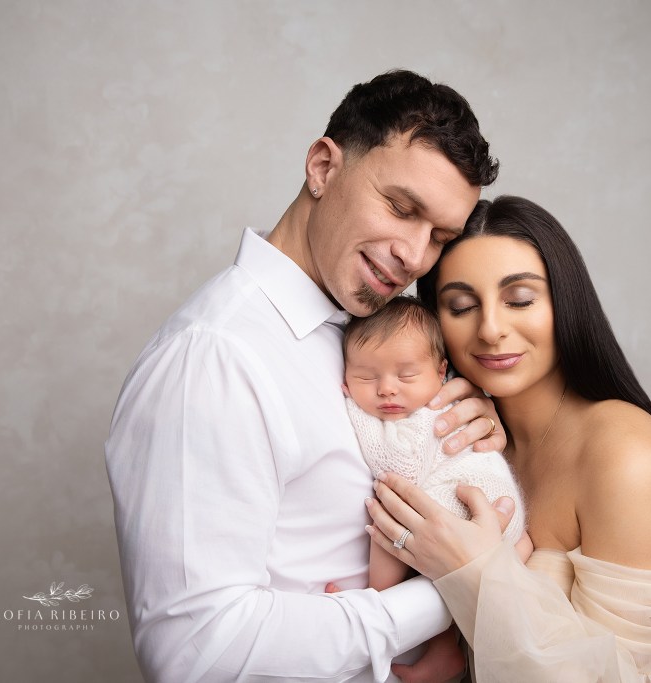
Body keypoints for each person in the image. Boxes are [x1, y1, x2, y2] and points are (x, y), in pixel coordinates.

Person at [104, 70, 507, 683]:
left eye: (439, 237)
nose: (414, 255)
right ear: (323, 167)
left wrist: (458, 426)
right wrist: (458, 583)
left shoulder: (360, 336)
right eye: (401, 208)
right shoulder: (215, 357)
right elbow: (194, 653)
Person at [365, 196, 651, 682]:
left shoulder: (625, 451)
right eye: (461, 306)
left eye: (520, 300)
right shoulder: (457, 439)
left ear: (565, 302)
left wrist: (474, 570)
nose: (490, 329)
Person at [341, 296, 527, 593]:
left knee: (394, 514)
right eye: (366, 377)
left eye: (406, 375)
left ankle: (376, 596)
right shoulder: (428, 400)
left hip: (472, 500)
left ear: (441, 373)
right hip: (502, 517)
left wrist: (355, 407)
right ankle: (441, 639)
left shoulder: (431, 413)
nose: (387, 389)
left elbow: (400, 469)